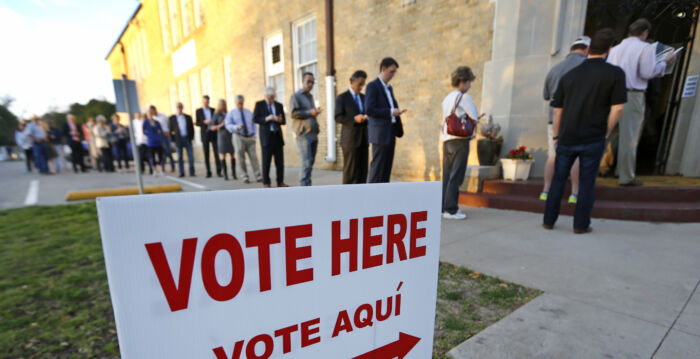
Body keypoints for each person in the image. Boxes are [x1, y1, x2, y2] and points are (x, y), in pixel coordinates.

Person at [544, 28, 627, 234]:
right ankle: (580, 225)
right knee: (587, 182)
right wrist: (606, 131)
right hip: (594, 136)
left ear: (589, 48)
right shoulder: (615, 74)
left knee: (558, 180)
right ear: (609, 50)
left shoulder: (570, 75)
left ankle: (548, 220)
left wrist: (556, 135)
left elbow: (557, 110)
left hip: (567, 135)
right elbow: (618, 108)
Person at [607, 19, 676, 187]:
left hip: (612, 94)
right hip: (633, 95)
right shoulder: (645, 48)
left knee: (610, 134)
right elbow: (647, 72)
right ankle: (626, 176)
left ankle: (603, 168)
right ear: (644, 32)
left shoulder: (615, 49)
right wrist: (664, 62)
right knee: (630, 138)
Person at [541, 37, 590, 203]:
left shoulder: (554, 69)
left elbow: (546, 96)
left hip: (554, 120)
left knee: (553, 156)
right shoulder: (585, 68)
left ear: (571, 49)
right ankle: (574, 193)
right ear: (587, 49)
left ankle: (546, 191)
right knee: (576, 157)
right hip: (577, 119)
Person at [441, 66, 483, 220]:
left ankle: (443, 207)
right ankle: (451, 209)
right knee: (456, 176)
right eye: (469, 82)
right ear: (463, 81)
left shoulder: (447, 98)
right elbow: (474, 116)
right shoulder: (464, 97)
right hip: (459, 140)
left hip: (447, 140)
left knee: (447, 175)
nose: (470, 85)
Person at [366, 57, 405, 183]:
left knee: (386, 170)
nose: (393, 75)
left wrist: (396, 112)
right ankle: (372, 199)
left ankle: (383, 198)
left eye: (394, 72)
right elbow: (370, 110)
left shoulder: (389, 88)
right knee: (377, 170)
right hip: (379, 134)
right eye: (391, 71)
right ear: (383, 69)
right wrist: (390, 112)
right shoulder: (372, 86)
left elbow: (390, 106)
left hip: (391, 132)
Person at [335, 70, 369, 184]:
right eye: (359, 84)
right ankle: (347, 198)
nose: (361, 87)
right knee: (350, 173)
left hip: (364, 140)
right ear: (351, 81)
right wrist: (354, 119)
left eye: (363, 84)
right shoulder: (342, 98)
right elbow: (338, 117)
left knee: (363, 172)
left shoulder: (365, 98)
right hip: (350, 141)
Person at [290, 72, 321, 186]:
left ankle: (307, 186)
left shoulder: (310, 97)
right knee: (306, 163)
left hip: (313, 134)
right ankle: (303, 189)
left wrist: (314, 114)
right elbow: (293, 114)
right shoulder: (296, 96)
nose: (310, 84)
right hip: (303, 135)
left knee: (310, 163)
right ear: (302, 82)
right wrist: (310, 112)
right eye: (308, 81)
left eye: (312, 82)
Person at [254, 86, 288, 188]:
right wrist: (267, 118)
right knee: (266, 161)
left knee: (280, 162)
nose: (271, 99)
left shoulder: (279, 105)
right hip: (266, 138)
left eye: (272, 97)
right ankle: (266, 182)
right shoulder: (259, 105)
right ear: (265, 96)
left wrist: (279, 119)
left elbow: (284, 121)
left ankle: (280, 181)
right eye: (269, 97)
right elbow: (255, 119)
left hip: (277, 136)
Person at [225, 95, 261, 184]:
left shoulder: (248, 112)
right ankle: (244, 176)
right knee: (241, 158)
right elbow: (227, 125)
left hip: (249, 137)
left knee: (254, 157)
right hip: (238, 136)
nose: (240, 105)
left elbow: (253, 124)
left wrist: (254, 135)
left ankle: (258, 175)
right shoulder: (231, 113)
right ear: (236, 103)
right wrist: (236, 127)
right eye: (238, 103)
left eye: (241, 103)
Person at [210, 99, 236, 180]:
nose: (224, 106)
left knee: (232, 154)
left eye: (225, 104)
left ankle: (234, 173)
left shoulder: (228, 113)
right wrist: (221, 125)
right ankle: (225, 174)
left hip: (230, 136)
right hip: (221, 136)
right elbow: (212, 127)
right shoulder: (216, 115)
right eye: (222, 104)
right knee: (223, 155)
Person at [196, 95, 221, 178]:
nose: (206, 103)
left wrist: (213, 124)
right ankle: (208, 172)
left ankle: (219, 171)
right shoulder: (198, 111)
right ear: (202, 102)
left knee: (216, 153)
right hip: (205, 134)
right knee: (206, 154)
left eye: (207, 102)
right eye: (204, 102)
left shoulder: (213, 110)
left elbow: (217, 120)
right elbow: (197, 122)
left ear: (209, 102)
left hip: (213, 133)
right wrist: (204, 122)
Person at [169, 102, 196, 177]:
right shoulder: (172, 118)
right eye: (178, 107)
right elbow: (170, 130)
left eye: (180, 107)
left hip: (187, 138)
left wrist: (191, 137)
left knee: (190, 156)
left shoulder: (187, 117)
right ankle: (181, 172)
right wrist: (173, 141)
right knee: (180, 157)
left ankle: (192, 172)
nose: (179, 109)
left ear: (182, 108)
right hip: (178, 140)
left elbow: (192, 128)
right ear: (176, 108)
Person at [143, 111, 165, 176]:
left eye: (151, 113)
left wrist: (159, 134)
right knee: (152, 157)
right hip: (150, 143)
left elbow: (161, 130)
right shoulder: (145, 122)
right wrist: (150, 135)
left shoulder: (156, 122)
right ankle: (154, 170)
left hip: (158, 142)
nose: (150, 114)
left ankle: (161, 170)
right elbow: (144, 131)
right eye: (149, 113)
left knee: (161, 156)